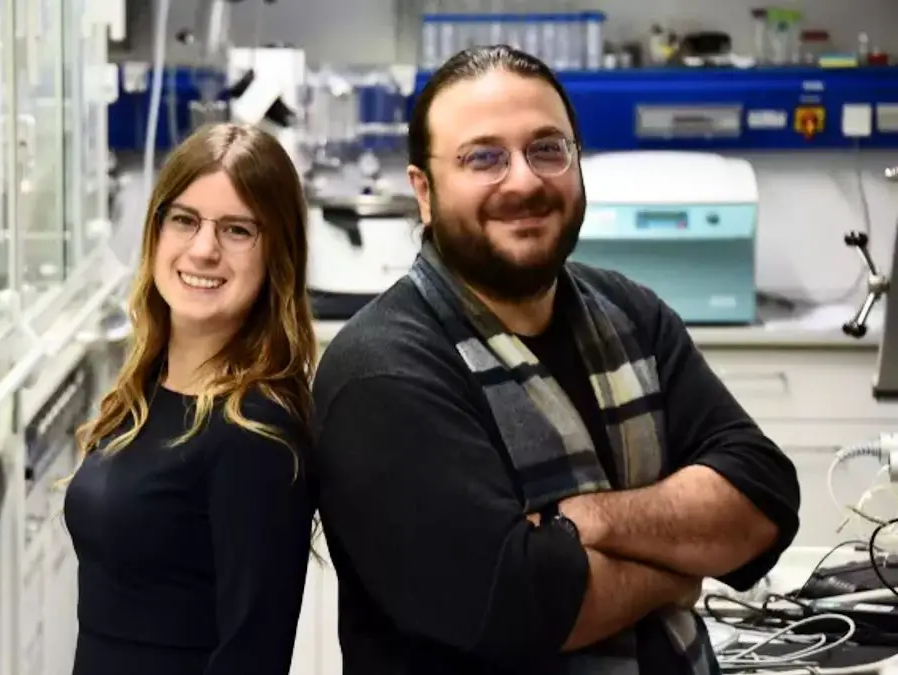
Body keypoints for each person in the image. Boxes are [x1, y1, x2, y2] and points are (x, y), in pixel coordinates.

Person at [310, 45, 801, 674]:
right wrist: (678, 569)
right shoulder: (382, 369)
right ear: (424, 193)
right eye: (483, 157)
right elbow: (520, 607)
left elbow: (763, 498)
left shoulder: (631, 314)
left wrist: (591, 520)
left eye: (547, 149)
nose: (523, 181)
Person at [64, 122, 317, 675]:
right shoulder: (146, 390)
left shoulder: (255, 432)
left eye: (237, 230)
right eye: (184, 220)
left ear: (277, 254)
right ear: (156, 232)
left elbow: (253, 654)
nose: (203, 250)